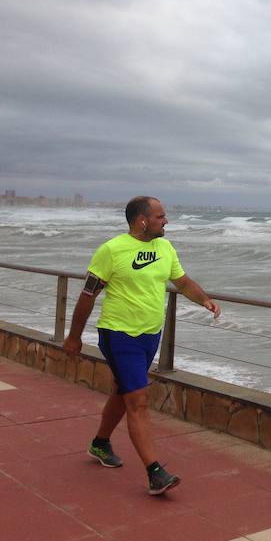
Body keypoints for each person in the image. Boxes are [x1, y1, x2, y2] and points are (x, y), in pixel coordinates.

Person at [63, 196, 220, 495]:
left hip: (150, 334)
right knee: (138, 399)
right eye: (161, 216)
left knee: (124, 392)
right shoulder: (112, 250)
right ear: (142, 220)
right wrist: (74, 336)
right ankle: (155, 472)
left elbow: (182, 281)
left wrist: (204, 300)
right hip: (118, 334)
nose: (167, 221)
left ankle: (100, 443)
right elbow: (87, 295)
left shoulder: (165, 247)